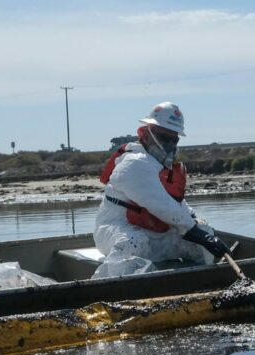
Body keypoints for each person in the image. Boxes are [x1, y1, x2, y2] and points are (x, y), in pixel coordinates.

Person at [92, 101, 229, 278]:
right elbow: (161, 205)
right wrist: (194, 231)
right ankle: (118, 287)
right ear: (147, 134)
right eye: (164, 138)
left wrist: (197, 226)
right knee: (133, 241)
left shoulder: (162, 166)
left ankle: (205, 281)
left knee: (203, 233)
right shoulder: (134, 163)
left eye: (174, 139)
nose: (170, 145)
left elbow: (175, 203)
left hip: (156, 234)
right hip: (118, 230)